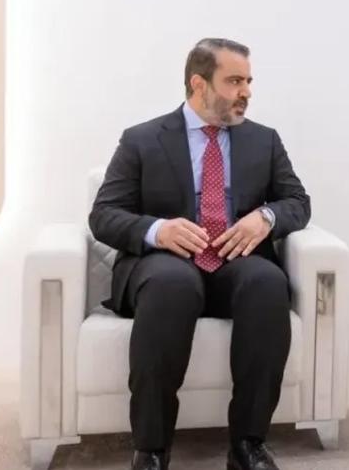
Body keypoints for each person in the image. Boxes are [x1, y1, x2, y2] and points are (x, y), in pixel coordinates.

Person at [89, 38, 311, 470]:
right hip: (164, 265)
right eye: (234, 81)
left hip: (232, 263)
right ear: (199, 84)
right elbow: (104, 215)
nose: (246, 91)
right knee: (172, 285)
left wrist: (265, 217)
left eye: (249, 81)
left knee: (268, 282)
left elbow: (297, 202)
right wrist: (157, 230)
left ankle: (248, 445)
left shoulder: (263, 141)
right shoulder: (142, 140)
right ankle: (151, 450)